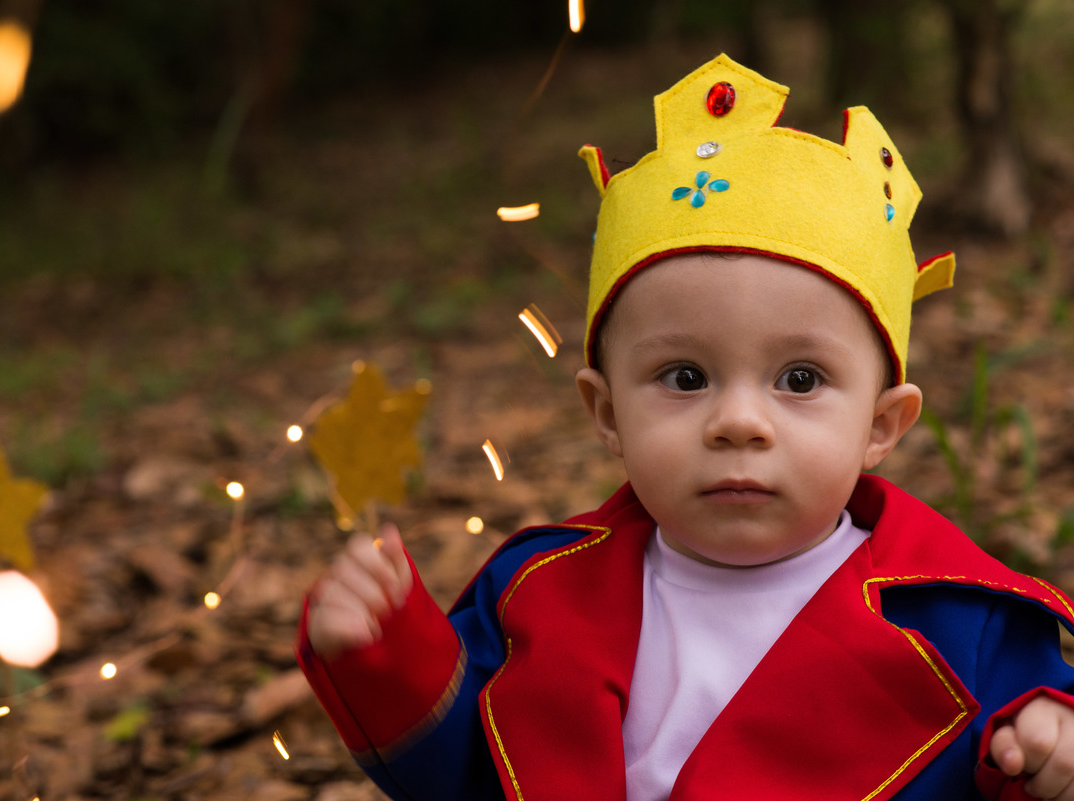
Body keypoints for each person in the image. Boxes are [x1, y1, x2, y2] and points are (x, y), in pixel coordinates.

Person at [295, 54, 1074, 801]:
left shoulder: (962, 621)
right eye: (685, 377)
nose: (738, 422)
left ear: (881, 424)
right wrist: (388, 656)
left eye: (800, 380)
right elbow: (470, 772)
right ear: (608, 413)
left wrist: (1046, 753)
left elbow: (1026, 750)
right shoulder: (538, 593)